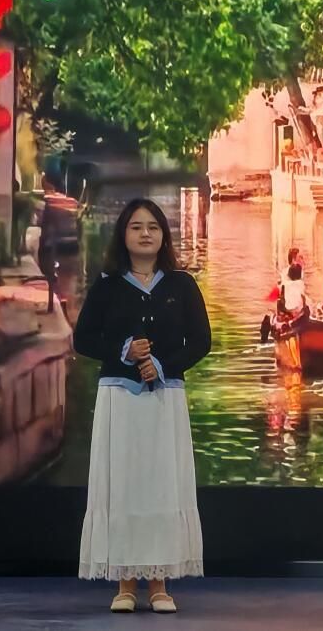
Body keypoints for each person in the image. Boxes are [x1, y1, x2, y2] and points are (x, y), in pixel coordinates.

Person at [74, 199, 212, 614]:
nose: (145, 234)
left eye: (153, 226)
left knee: (161, 483)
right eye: (136, 227)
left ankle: (160, 585)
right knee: (125, 484)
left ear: (164, 235)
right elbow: (83, 340)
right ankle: (125, 584)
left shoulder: (182, 286)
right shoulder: (107, 287)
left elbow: (201, 341)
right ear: (123, 235)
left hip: (165, 399)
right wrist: (124, 352)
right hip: (120, 399)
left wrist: (163, 365)